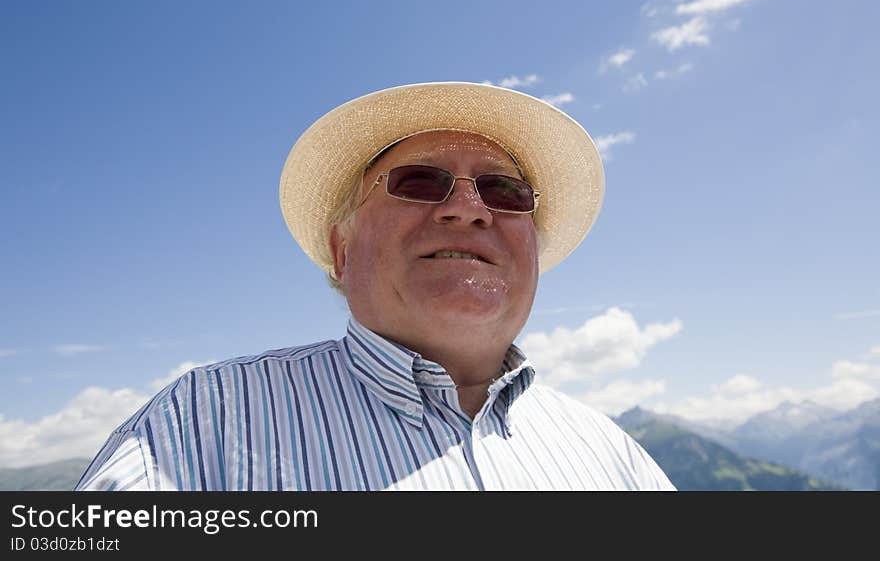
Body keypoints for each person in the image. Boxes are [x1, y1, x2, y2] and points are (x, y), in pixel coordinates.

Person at [76, 82, 675, 491]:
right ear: (342, 252)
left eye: (505, 192)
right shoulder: (201, 425)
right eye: (418, 182)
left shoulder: (612, 457)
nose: (469, 209)